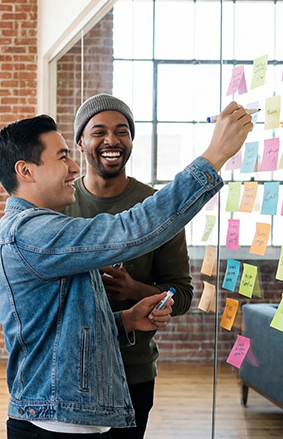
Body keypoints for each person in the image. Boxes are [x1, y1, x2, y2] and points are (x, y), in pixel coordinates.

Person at [0, 103, 252, 438]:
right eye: (62, 157)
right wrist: (215, 155)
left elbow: (61, 330)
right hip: (55, 422)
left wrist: (126, 320)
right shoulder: (31, 232)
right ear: (26, 171)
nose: (73, 167)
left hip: (68, 418)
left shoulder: (41, 228)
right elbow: (131, 230)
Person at [59, 94, 194, 439]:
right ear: (80, 142)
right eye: (99, 131)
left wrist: (136, 290)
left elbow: (182, 295)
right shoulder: (59, 205)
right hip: (69, 369)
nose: (112, 140)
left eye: (122, 131)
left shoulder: (157, 207)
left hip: (132, 370)